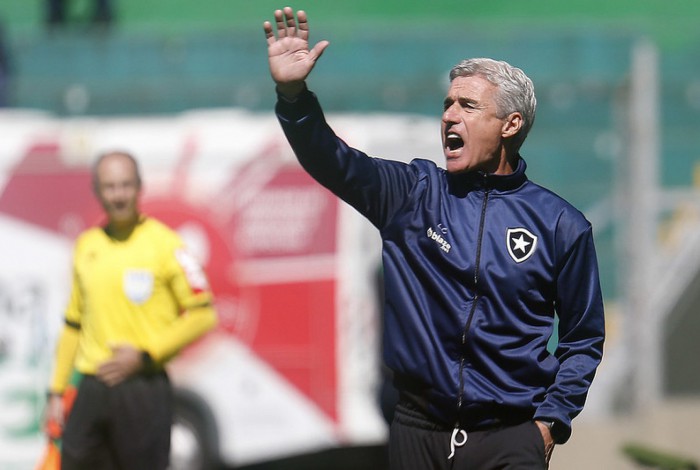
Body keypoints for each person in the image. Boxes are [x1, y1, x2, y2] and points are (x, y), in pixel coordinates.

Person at [263, 7, 605, 470]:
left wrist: (550, 422)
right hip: (417, 432)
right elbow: (333, 160)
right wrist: (293, 96)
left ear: (510, 125)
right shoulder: (412, 195)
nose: (449, 116)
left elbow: (583, 340)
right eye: (447, 104)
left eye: (468, 106)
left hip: (510, 437)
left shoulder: (560, 225)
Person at [45, 151, 218, 470]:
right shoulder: (87, 245)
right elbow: (73, 324)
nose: (119, 195)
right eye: (110, 187)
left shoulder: (167, 245)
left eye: (126, 185)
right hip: (92, 386)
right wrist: (56, 391)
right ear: (97, 191)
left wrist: (145, 355)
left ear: (140, 187)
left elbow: (203, 314)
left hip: (143, 388)